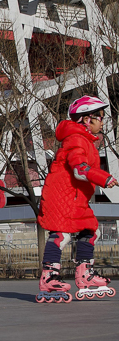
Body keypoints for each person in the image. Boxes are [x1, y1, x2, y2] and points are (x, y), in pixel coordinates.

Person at [36, 96, 118, 302]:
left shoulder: (86, 140)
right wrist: (104, 178)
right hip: (61, 196)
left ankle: (85, 274)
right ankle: (48, 277)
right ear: (86, 119)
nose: (103, 120)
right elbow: (80, 170)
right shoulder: (76, 138)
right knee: (60, 235)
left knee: (91, 231)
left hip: (76, 197)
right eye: (100, 116)